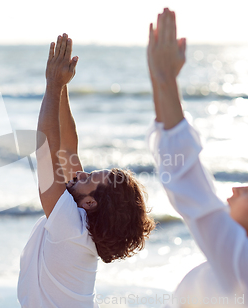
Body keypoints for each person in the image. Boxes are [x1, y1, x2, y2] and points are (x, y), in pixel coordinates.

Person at [147, 8, 248, 308]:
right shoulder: (244, 269)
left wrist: (166, 80)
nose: (235, 190)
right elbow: (183, 179)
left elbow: (196, 194)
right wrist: (159, 81)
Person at [17, 33, 156, 307]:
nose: (80, 173)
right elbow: (67, 150)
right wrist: (63, 86)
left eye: (89, 177)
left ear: (91, 202)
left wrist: (52, 84)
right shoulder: (80, 223)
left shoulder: (70, 225)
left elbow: (46, 150)